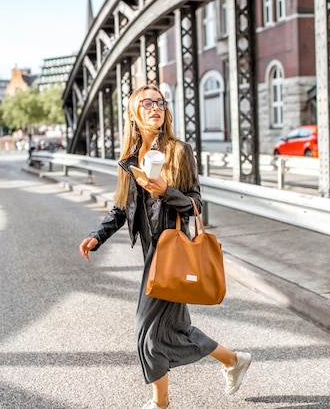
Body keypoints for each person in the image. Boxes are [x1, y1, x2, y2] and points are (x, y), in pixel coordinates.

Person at [79, 84, 252, 409]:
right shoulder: (130, 159)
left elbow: (197, 204)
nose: (155, 107)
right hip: (151, 255)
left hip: (172, 253)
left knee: (146, 331)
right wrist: (97, 235)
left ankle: (161, 403)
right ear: (133, 112)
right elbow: (121, 207)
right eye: (147, 102)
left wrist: (166, 191)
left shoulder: (179, 151)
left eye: (160, 102)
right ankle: (232, 360)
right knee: (174, 329)